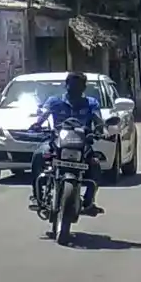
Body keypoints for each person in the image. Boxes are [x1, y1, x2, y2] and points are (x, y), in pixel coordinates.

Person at [27, 70, 107, 218]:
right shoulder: (54, 101)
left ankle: (89, 201)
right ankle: (37, 195)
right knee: (38, 156)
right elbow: (43, 115)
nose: (76, 88)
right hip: (57, 142)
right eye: (73, 85)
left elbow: (98, 120)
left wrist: (102, 130)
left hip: (82, 145)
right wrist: (37, 124)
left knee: (95, 164)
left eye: (79, 85)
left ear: (84, 87)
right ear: (66, 85)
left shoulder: (91, 103)